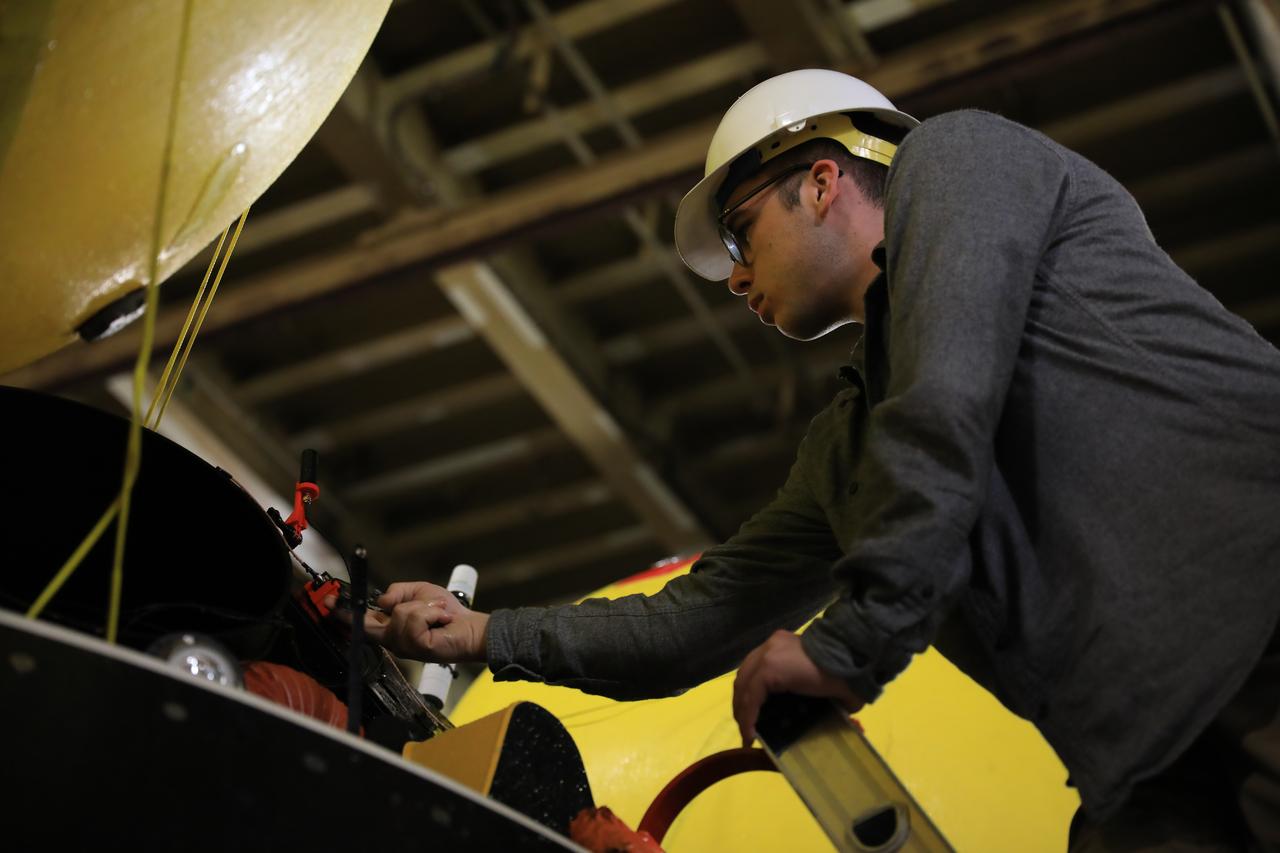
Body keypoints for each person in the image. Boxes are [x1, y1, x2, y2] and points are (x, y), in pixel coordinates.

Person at [342, 69, 1280, 848]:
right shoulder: (852, 446)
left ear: (824, 181)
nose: (737, 276)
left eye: (742, 234)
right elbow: (696, 621)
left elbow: (946, 404)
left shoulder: (959, 160)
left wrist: (847, 645)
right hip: (1154, 771)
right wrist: (484, 634)